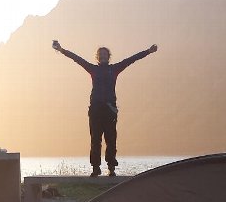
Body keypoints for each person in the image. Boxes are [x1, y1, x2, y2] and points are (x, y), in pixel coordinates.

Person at [53, 40, 157, 176]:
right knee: (95, 139)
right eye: (100, 54)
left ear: (108, 56)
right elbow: (77, 59)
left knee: (111, 139)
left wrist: (148, 51)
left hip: (110, 110)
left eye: (105, 54)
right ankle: (95, 168)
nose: (102, 56)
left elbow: (131, 59)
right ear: (97, 57)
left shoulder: (114, 69)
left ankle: (111, 167)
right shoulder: (93, 69)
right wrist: (61, 50)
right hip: (95, 109)